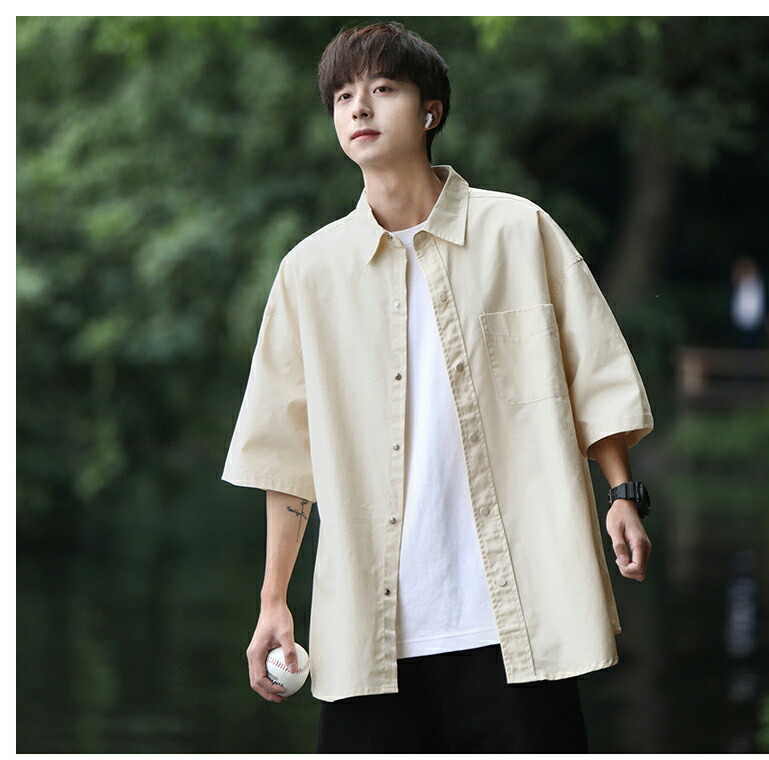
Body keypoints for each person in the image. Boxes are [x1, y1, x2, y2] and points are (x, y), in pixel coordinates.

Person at [222, 20, 654, 753]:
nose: (359, 107)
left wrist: (622, 492)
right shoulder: (309, 273)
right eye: (343, 96)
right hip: (370, 636)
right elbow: (286, 458)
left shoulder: (518, 231)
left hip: (517, 622)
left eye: (383, 88)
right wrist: (273, 601)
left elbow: (593, 373)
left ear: (431, 111)